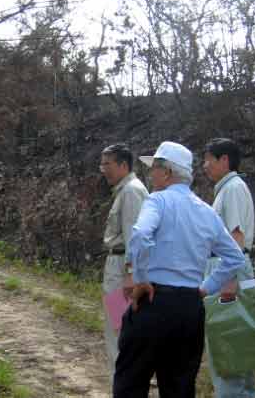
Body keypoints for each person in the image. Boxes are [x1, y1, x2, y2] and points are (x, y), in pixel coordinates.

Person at [113, 141, 245, 398]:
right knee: (180, 386)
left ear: (166, 172)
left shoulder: (158, 201)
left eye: (154, 169)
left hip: (153, 300)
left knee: (131, 380)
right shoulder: (206, 211)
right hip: (189, 307)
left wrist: (139, 278)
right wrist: (206, 288)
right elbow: (234, 258)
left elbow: (140, 235)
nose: (151, 175)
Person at [202, 138, 255, 398]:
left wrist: (228, 280)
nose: (204, 166)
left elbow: (236, 237)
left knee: (227, 348)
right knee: (238, 350)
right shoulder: (228, 188)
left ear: (224, 160)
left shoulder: (233, 188)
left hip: (228, 272)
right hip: (229, 268)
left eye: (208, 160)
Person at [99, 143, 149, 381]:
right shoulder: (126, 190)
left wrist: (131, 274)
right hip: (119, 267)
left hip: (122, 270)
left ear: (123, 165)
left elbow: (134, 237)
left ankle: (123, 384)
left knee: (120, 331)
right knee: (120, 329)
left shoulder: (131, 192)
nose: (103, 169)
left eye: (107, 164)